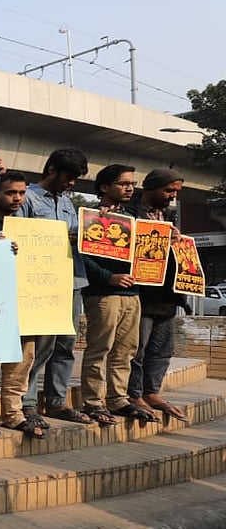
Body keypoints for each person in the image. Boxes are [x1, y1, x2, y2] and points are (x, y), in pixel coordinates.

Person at [0, 171, 46, 438]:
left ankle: (14, 413)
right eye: (10, 193)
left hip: (27, 306)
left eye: (22, 193)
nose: (17, 198)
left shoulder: (34, 229)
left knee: (22, 363)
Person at [20, 148, 89, 425]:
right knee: (41, 345)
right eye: (69, 176)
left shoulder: (69, 203)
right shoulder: (28, 198)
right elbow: (20, 237)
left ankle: (56, 401)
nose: (72, 183)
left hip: (72, 280)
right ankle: (27, 402)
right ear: (52, 170)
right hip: (42, 283)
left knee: (66, 344)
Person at [79, 164, 152, 426]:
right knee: (100, 348)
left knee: (126, 350)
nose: (130, 188)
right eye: (123, 184)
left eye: (132, 184)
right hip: (103, 293)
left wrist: (170, 237)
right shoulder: (91, 217)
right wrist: (108, 276)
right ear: (104, 187)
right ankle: (93, 401)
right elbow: (83, 257)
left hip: (133, 292)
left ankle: (118, 398)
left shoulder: (138, 215)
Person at [125, 168, 188, 421]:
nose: (172, 196)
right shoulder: (129, 213)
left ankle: (152, 390)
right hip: (142, 293)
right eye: (168, 190)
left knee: (162, 349)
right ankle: (134, 392)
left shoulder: (169, 215)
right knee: (137, 348)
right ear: (151, 188)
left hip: (166, 294)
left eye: (175, 191)